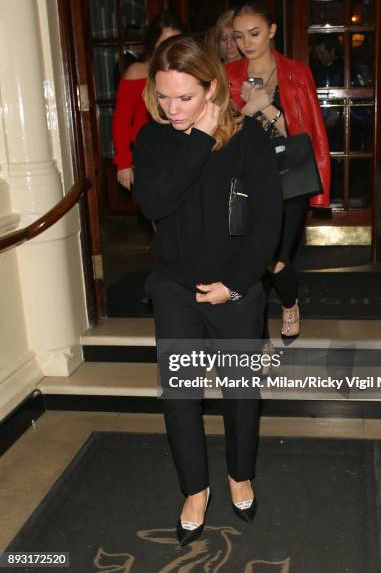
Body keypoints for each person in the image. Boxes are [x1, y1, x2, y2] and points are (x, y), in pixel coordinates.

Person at [133, 35, 282, 545]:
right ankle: (195, 490)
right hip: (175, 287)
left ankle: (240, 475)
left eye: (186, 97)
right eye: (165, 96)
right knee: (180, 397)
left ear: (212, 87)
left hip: (235, 290)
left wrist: (237, 285)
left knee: (241, 394)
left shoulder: (248, 139)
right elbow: (154, 201)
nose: (173, 108)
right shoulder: (155, 139)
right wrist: (196, 136)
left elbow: (268, 222)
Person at [225, 0, 331, 339]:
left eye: (254, 33)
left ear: (272, 30)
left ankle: (289, 302)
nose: (246, 43)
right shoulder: (227, 76)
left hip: (289, 178)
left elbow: (304, 137)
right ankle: (258, 337)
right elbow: (223, 134)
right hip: (247, 178)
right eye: (239, 36)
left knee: (277, 259)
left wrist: (265, 106)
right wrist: (244, 108)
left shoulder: (297, 73)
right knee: (253, 258)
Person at [112, 11, 185, 190]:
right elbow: (121, 121)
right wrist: (124, 163)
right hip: (148, 154)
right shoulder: (137, 71)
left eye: (175, 43)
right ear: (153, 42)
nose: (169, 49)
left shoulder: (187, 73)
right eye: (163, 43)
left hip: (182, 151)